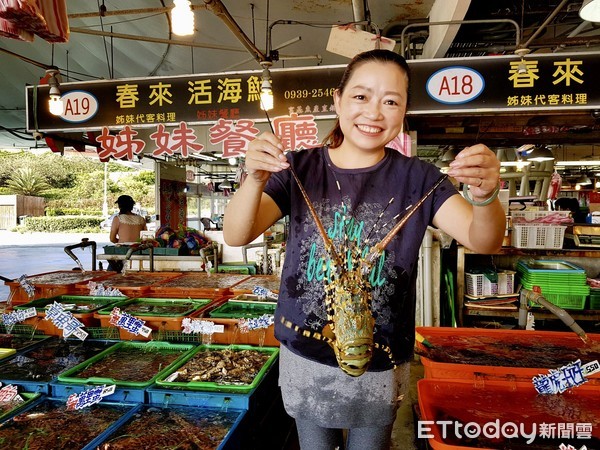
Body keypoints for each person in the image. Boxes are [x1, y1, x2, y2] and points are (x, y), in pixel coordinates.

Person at [223, 49, 505, 449]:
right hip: (306, 348)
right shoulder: (297, 168)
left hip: (382, 355)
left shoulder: (420, 179)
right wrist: (253, 178)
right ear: (337, 100)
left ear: (404, 110)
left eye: (390, 101)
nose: (374, 112)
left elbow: (484, 239)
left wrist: (486, 195)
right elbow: (236, 234)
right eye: (361, 96)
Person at [108, 195, 147, 272]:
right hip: (139, 251)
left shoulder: (118, 219)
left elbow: (112, 239)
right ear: (132, 206)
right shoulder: (141, 219)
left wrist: (121, 242)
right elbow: (145, 237)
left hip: (122, 253)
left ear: (120, 206)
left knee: (111, 271)